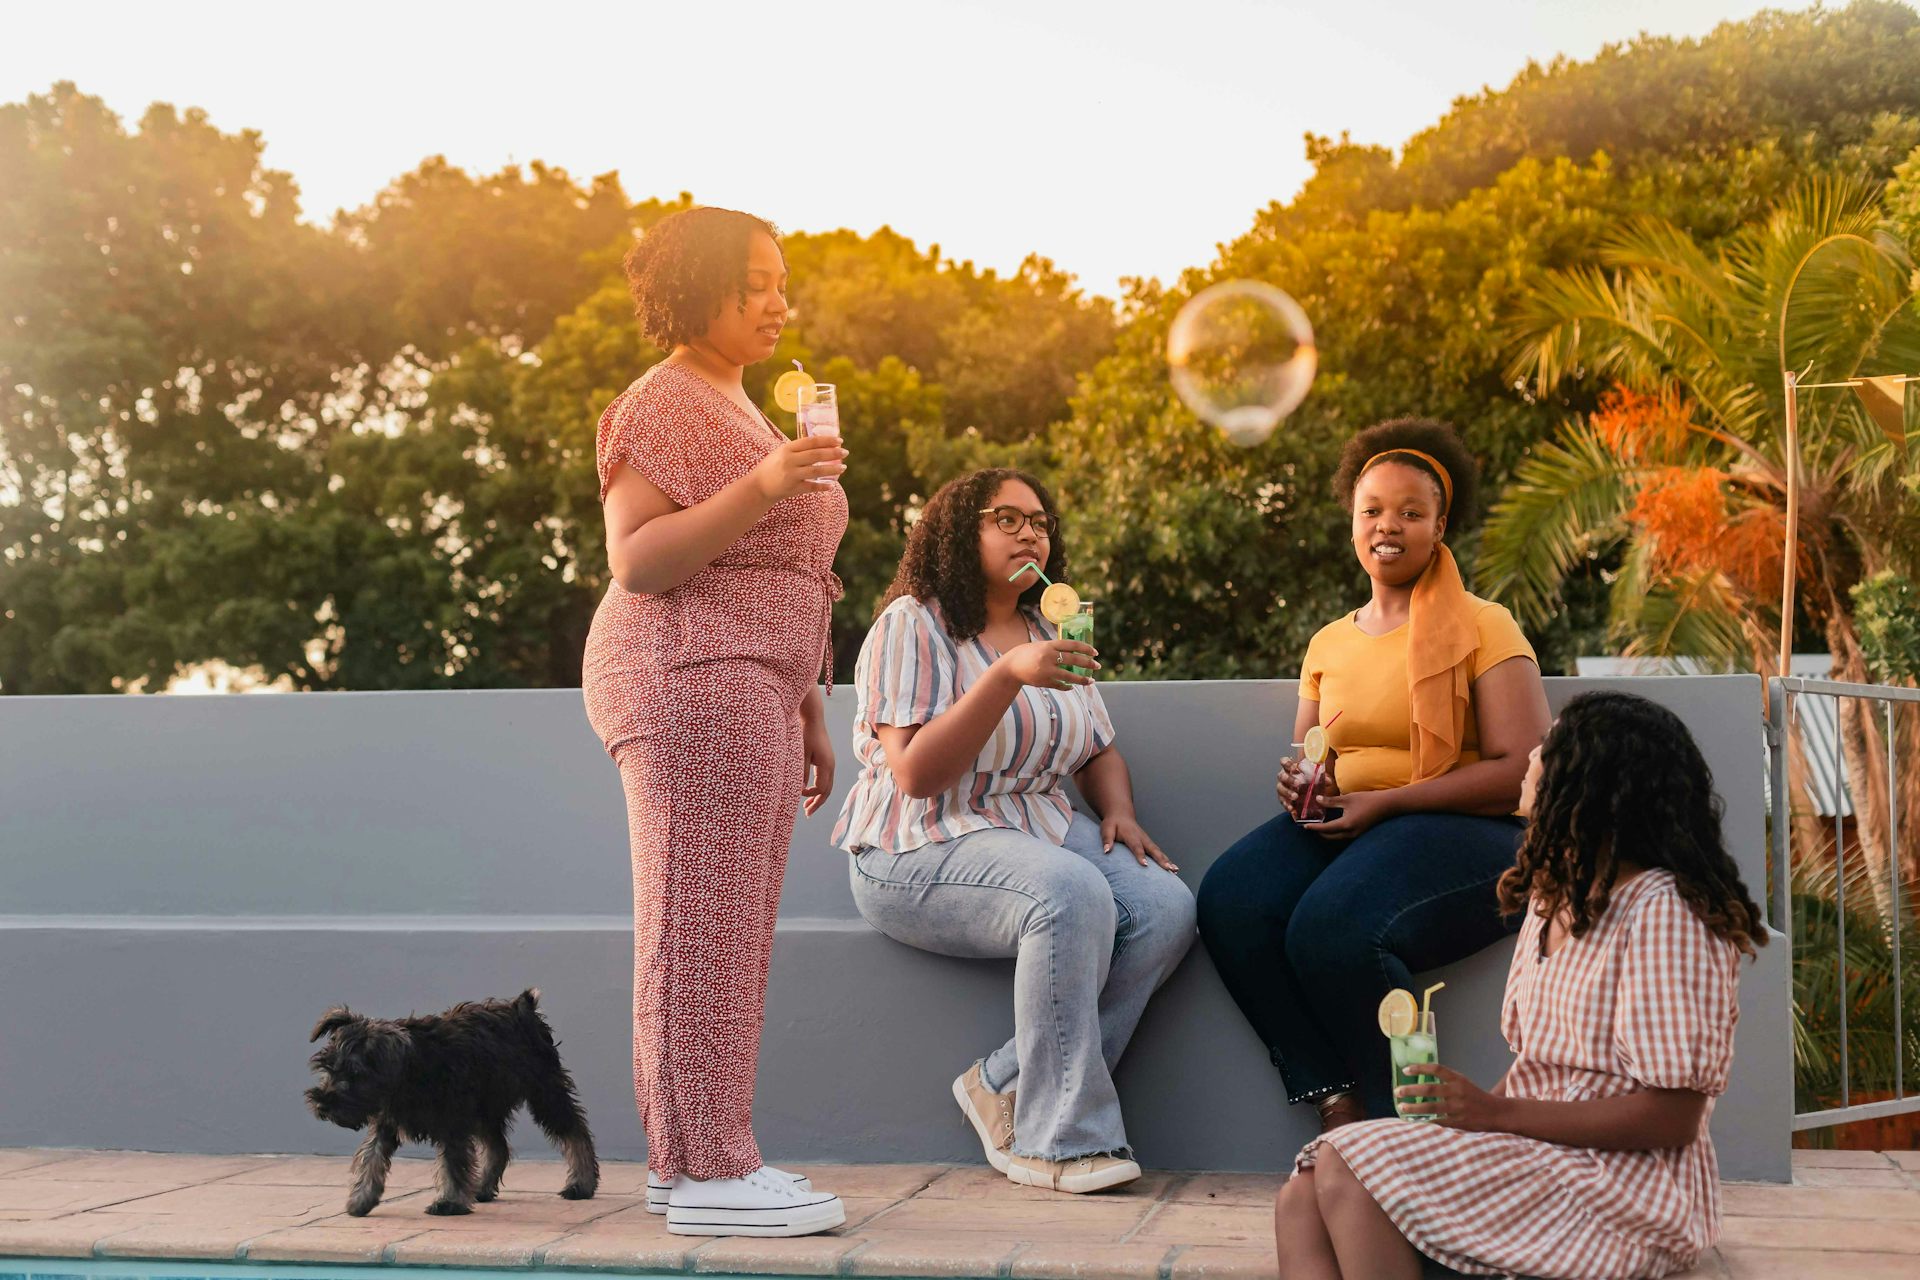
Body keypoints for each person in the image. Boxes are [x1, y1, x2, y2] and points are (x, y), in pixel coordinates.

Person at [1274, 691, 1766, 1280]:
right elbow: (1541, 1068)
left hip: (1623, 1186)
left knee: (1347, 1169)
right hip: (1537, 1154)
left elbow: (1673, 1118)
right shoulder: (1551, 894)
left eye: (1547, 748)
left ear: (1591, 786)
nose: (1530, 756)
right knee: (1301, 1196)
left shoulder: (1663, 912)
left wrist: (1493, 1112)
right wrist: (1463, 1125)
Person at [581, 206, 849, 1237]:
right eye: (759, 280)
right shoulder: (660, 402)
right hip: (684, 668)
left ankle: (702, 1158)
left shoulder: (744, 405)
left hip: (754, 680)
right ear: (700, 287)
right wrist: (768, 480)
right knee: (696, 923)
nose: (781, 299)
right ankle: (702, 1168)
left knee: (728, 930)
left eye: (785, 280)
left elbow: (776, 571)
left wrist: (808, 698)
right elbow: (640, 559)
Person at [832, 467, 1196, 1194]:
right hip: (916, 845)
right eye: (1008, 518)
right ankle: (1054, 1141)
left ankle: (1004, 1080)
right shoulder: (914, 623)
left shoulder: (1049, 629)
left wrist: (1118, 811)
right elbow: (914, 775)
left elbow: (1096, 748)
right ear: (959, 532)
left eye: (1039, 522)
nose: (1032, 532)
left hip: (1033, 829)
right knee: (1066, 892)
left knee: (1165, 907)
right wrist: (1005, 677)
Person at [1197, 418, 1551, 1128]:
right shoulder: (1329, 640)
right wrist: (1300, 786)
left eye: (1411, 513)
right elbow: (1311, 754)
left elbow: (1524, 773)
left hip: (1470, 830)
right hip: (1359, 823)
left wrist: (1385, 805)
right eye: (1373, 511)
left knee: (1333, 926)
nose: (1390, 526)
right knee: (1230, 899)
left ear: (1439, 525)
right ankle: (1333, 1093)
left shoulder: (1487, 624)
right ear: (1353, 522)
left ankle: (1407, 1123)